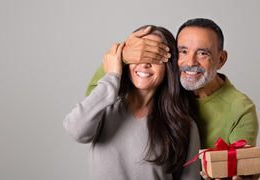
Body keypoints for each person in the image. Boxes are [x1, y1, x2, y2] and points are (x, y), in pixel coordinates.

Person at [85, 18, 260, 180]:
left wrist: (241, 174)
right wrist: (123, 55)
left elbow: (242, 167)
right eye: (183, 51)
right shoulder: (162, 85)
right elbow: (93, 101)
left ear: (221, 59)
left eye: (203, 53)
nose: (190, 63)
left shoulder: (241, 109)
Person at [64, 25, 201, 180]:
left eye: (155, 57)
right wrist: (112, 76)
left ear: (168, 68)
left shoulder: (184, 126)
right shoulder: (104, 107)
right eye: (139, 56)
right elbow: (75, 131)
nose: (145, 64)